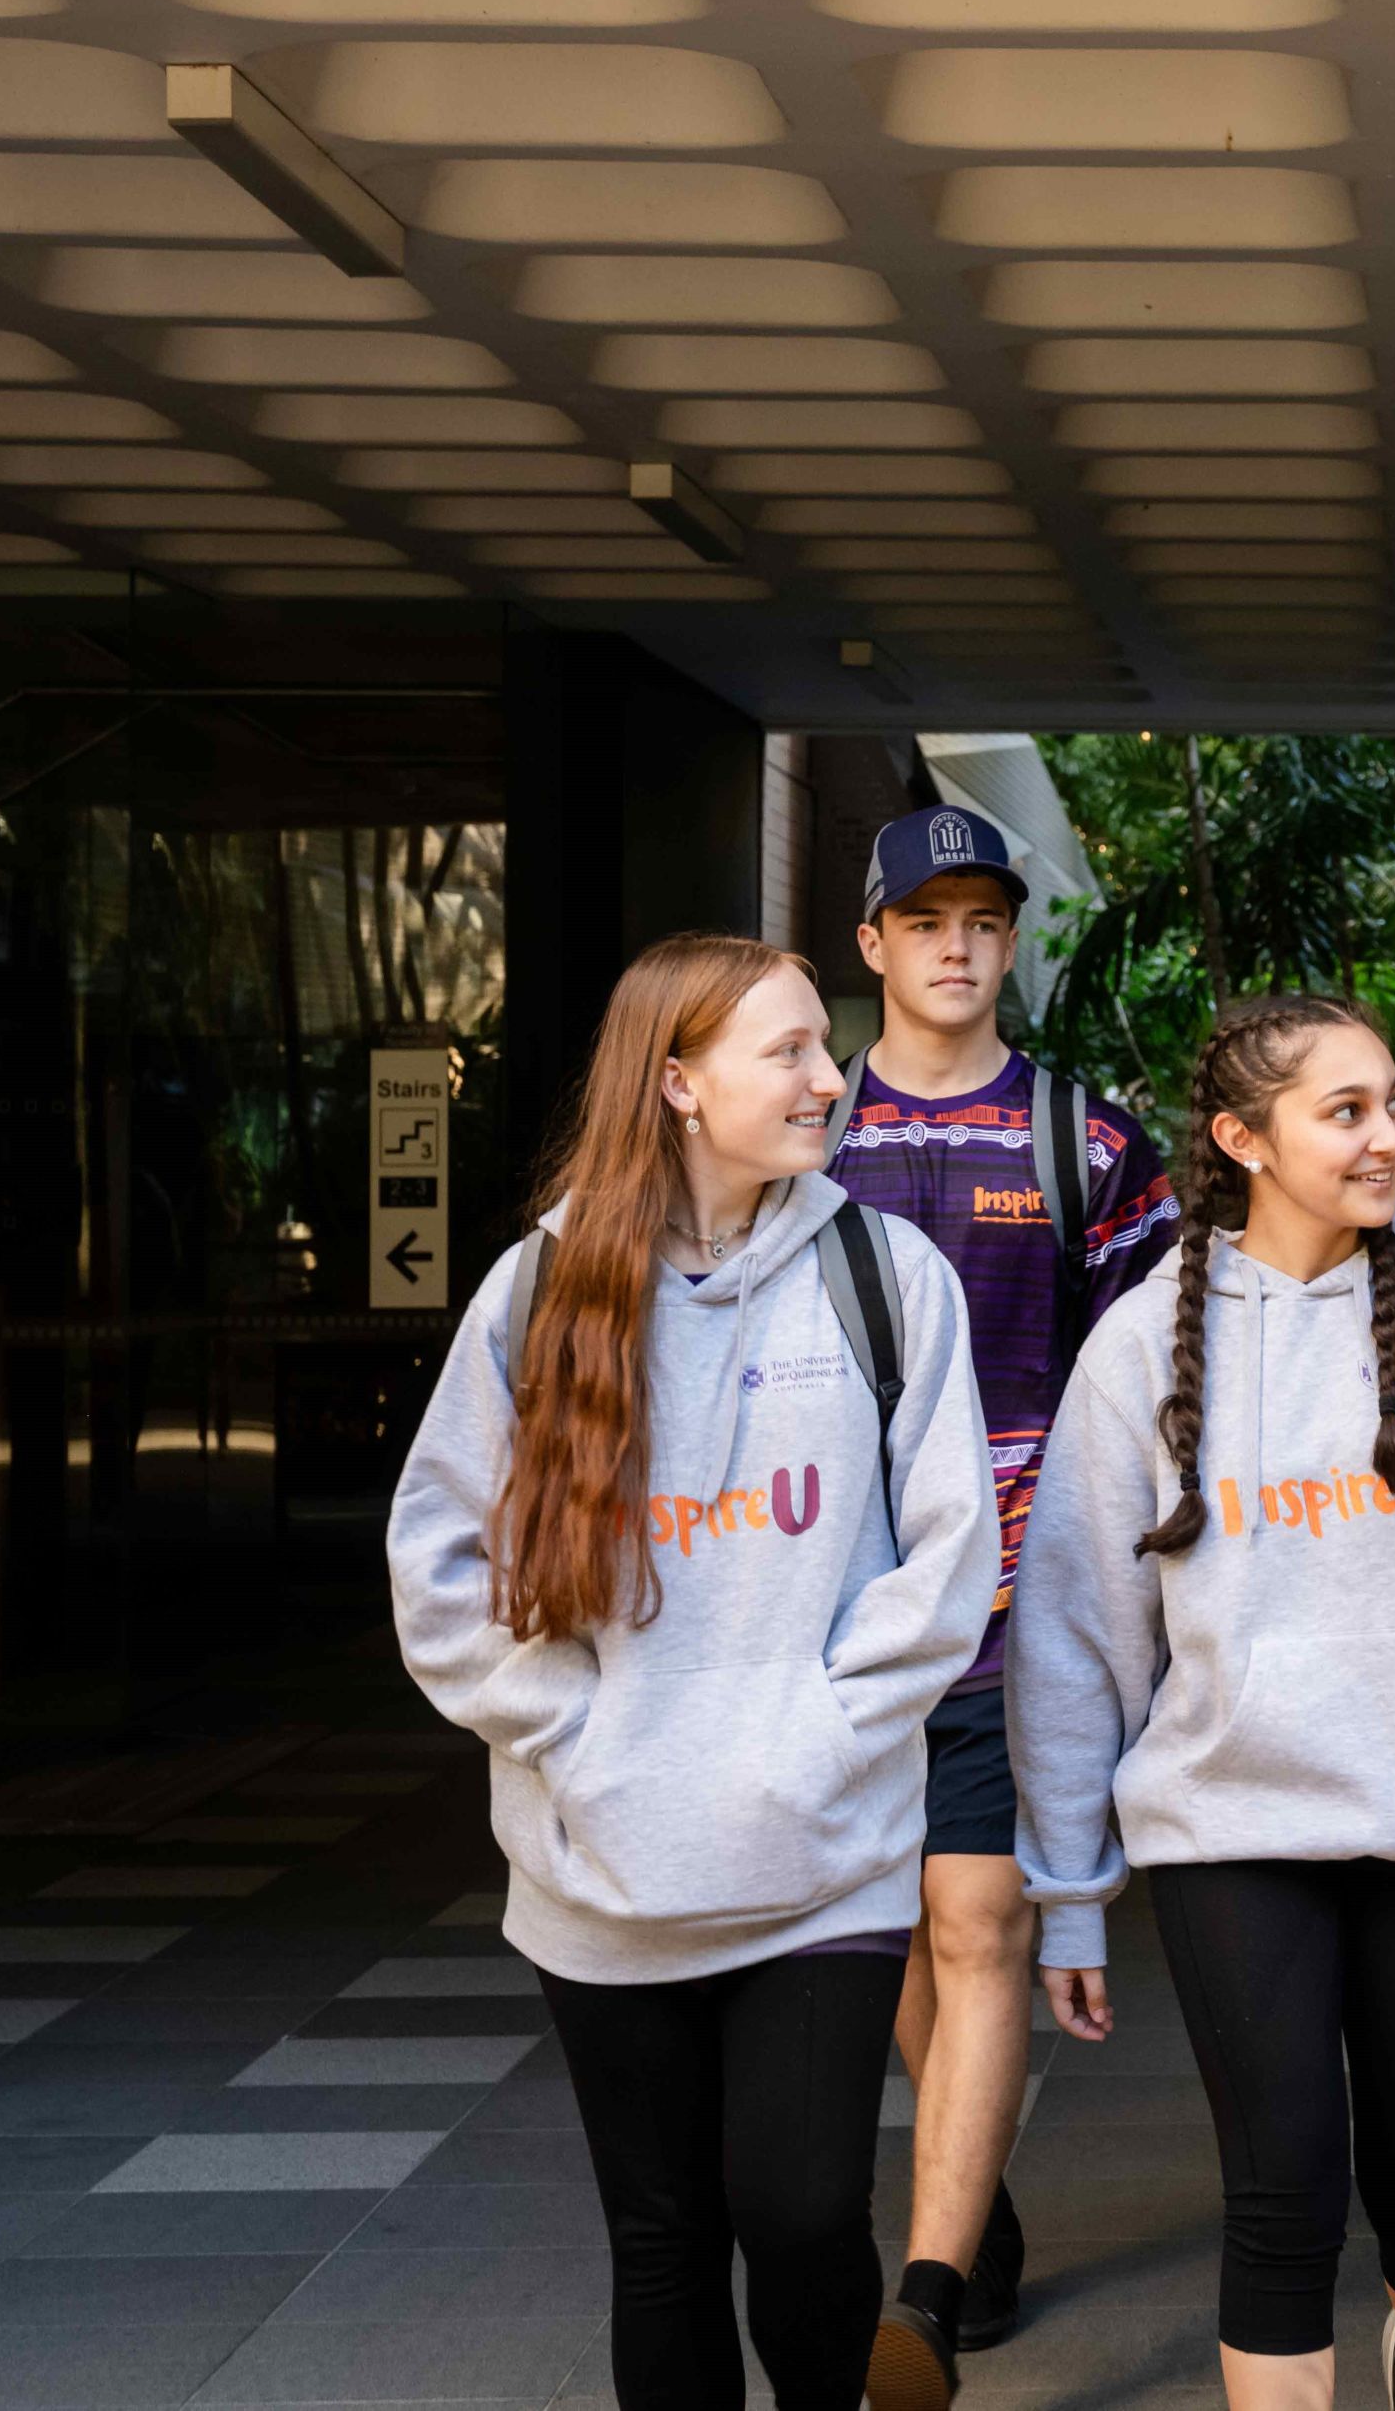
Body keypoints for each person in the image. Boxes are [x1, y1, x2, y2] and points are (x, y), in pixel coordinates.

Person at [386, 934, 998, 2411]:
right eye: (784, 1049)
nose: (824, 1075)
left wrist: (824, 1728)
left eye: (821, 1043)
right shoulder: (540, 1289)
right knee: (661, 2241)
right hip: (604, 1862)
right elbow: (438, 1563)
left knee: (799, 2221)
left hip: (820, 1848)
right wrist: (575, 1733)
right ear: (677, 1081)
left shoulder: (881, 1270)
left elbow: (949, 1552)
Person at [1011, 994, 1395, 2411]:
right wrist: (1065, 1884)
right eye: (1345, 1110)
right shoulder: (1142, 1345)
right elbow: (1075, 1632)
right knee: (1281, 2196)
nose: (1391, 1135)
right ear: (1244, 1139)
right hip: (1229, 1827)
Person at [827, 806, 1178, 2409]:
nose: (959, 944)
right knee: (891, 1927)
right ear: (875, 943)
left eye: (985, 917)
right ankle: (983, 2195)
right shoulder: (805, 1127)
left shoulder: (1088, 1144)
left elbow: (1163, 1372)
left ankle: (929, 2280)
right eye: (928, 918)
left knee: (978, 1923)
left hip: (1009, 1613)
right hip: (825, 1614)